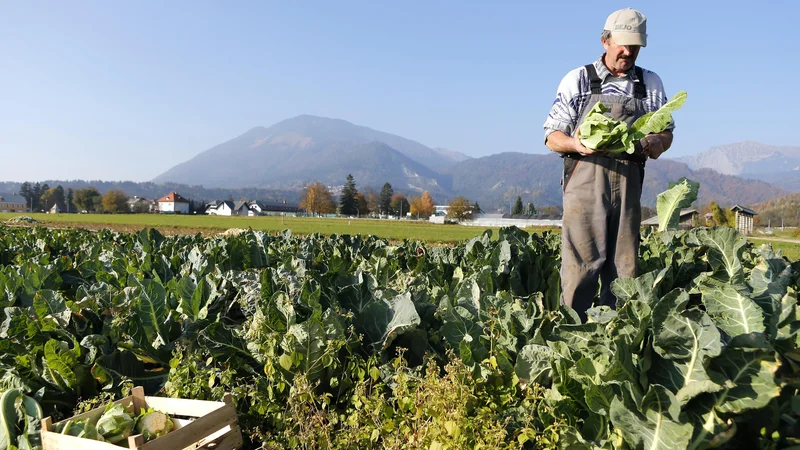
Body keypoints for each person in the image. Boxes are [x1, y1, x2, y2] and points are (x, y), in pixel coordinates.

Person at [542, 8, 674, 321]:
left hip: (628, 188)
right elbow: (551, 137)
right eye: (622, 43)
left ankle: (617, 340)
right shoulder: (579, 80)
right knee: (581, 268)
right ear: (605, 41)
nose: (628, 51)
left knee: (625, 269)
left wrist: (657, 142)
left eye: (635, 46)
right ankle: (575, 338)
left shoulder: (649, 83)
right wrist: (575, 143)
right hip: (585, 186)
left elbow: (667, 132)